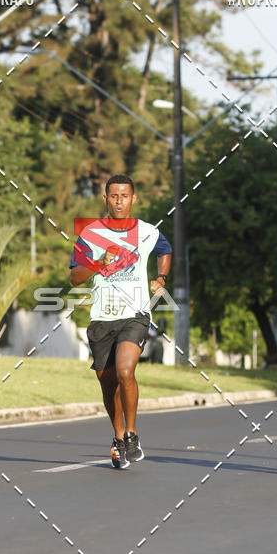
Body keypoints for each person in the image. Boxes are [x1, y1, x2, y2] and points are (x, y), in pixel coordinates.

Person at [70, 175, 172, 469]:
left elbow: (165, 250)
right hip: (101, 317)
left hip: (135, 314)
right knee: (108, 384)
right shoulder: (89, 233)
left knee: (126, 371)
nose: (119, 201)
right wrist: (98, 262)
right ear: (105, 199)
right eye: (113, 196)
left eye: (124, 196)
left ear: (133, 199)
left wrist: (161, 277)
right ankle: (117, 438)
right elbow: (75, 278)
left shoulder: (146, 231)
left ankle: (132, 433)